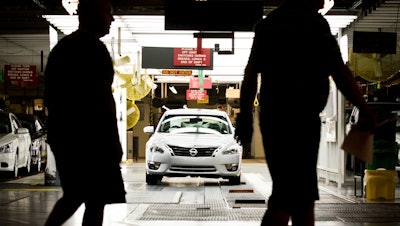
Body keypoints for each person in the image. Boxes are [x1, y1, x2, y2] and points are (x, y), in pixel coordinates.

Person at [235, 0, 377, 225]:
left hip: (273, 120)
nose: (323, 1)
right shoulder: (314, 24)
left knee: (296, 195)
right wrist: (365, 108)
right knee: (289, 198)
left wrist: (245, 118)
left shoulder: (268, 25)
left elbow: (250, 74)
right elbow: (339, 71)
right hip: (302, 120)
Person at [43, 0, 126, 225]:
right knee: (91, 198)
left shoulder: (62, 49)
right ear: (94, 14)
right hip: (91, 139)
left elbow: (51, 96)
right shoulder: (95, 50)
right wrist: (114, 141)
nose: (112, 18)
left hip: (65, 136)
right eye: (108, 12)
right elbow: (103, 100)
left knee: (80, 195)